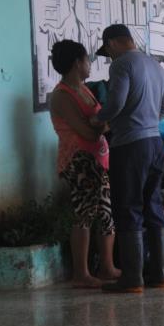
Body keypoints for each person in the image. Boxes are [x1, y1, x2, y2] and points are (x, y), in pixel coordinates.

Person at [91, 24, 164, 293]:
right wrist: (147, 119)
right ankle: (159, 275)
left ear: (112, 43)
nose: (109, 58)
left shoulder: (122, 64)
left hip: (130, 145)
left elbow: (115, 103)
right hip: (155, 143)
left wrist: (99, 119)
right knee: (153, 205)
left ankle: (132, 278)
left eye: (108, 52)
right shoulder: (156, 66)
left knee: (128, 207)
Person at [48, 39, 119, 288]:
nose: (90, 64)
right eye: (88, 59)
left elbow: (96, 124)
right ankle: (81, 273)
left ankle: (107, 267)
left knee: (106, 214)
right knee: (85, 214)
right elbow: (87, 132)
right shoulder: (61, 95)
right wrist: (104, 124)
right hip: (78, 161)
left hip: (98, 160)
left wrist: (100, 123)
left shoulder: (84, 89)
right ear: (77, 62)